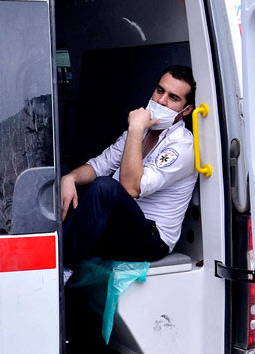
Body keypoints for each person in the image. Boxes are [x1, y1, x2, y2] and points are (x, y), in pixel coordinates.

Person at [60, 65, 197, 278]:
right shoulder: (141, 132)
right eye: (160, 91)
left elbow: (131, 188)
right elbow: (99, 166)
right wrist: (70, 178)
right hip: (122, 225)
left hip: (153, 238)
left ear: (186, 110)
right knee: (70, 195)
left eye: (173, 98)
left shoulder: (183, 146)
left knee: (104, 188)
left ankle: (63, 272)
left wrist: (135, 129)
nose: (161, 101)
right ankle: (45, 263)